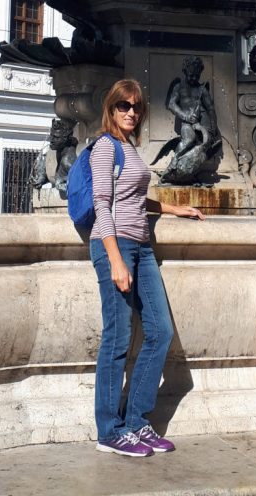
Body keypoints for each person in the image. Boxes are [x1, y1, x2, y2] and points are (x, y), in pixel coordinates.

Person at [90, 78, 204, 457]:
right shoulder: (105, 147)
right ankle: (109, 430)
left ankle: (137, 422)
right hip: (115, 246)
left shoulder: (129, 148)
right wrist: (116, 261)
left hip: (141, 247)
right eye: (124, 106)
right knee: (118, 339)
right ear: (111, 108)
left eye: (136, 107)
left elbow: (137, 199)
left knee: (160, 331)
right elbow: (102, 205)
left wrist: (174, 208)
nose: (131, 112)